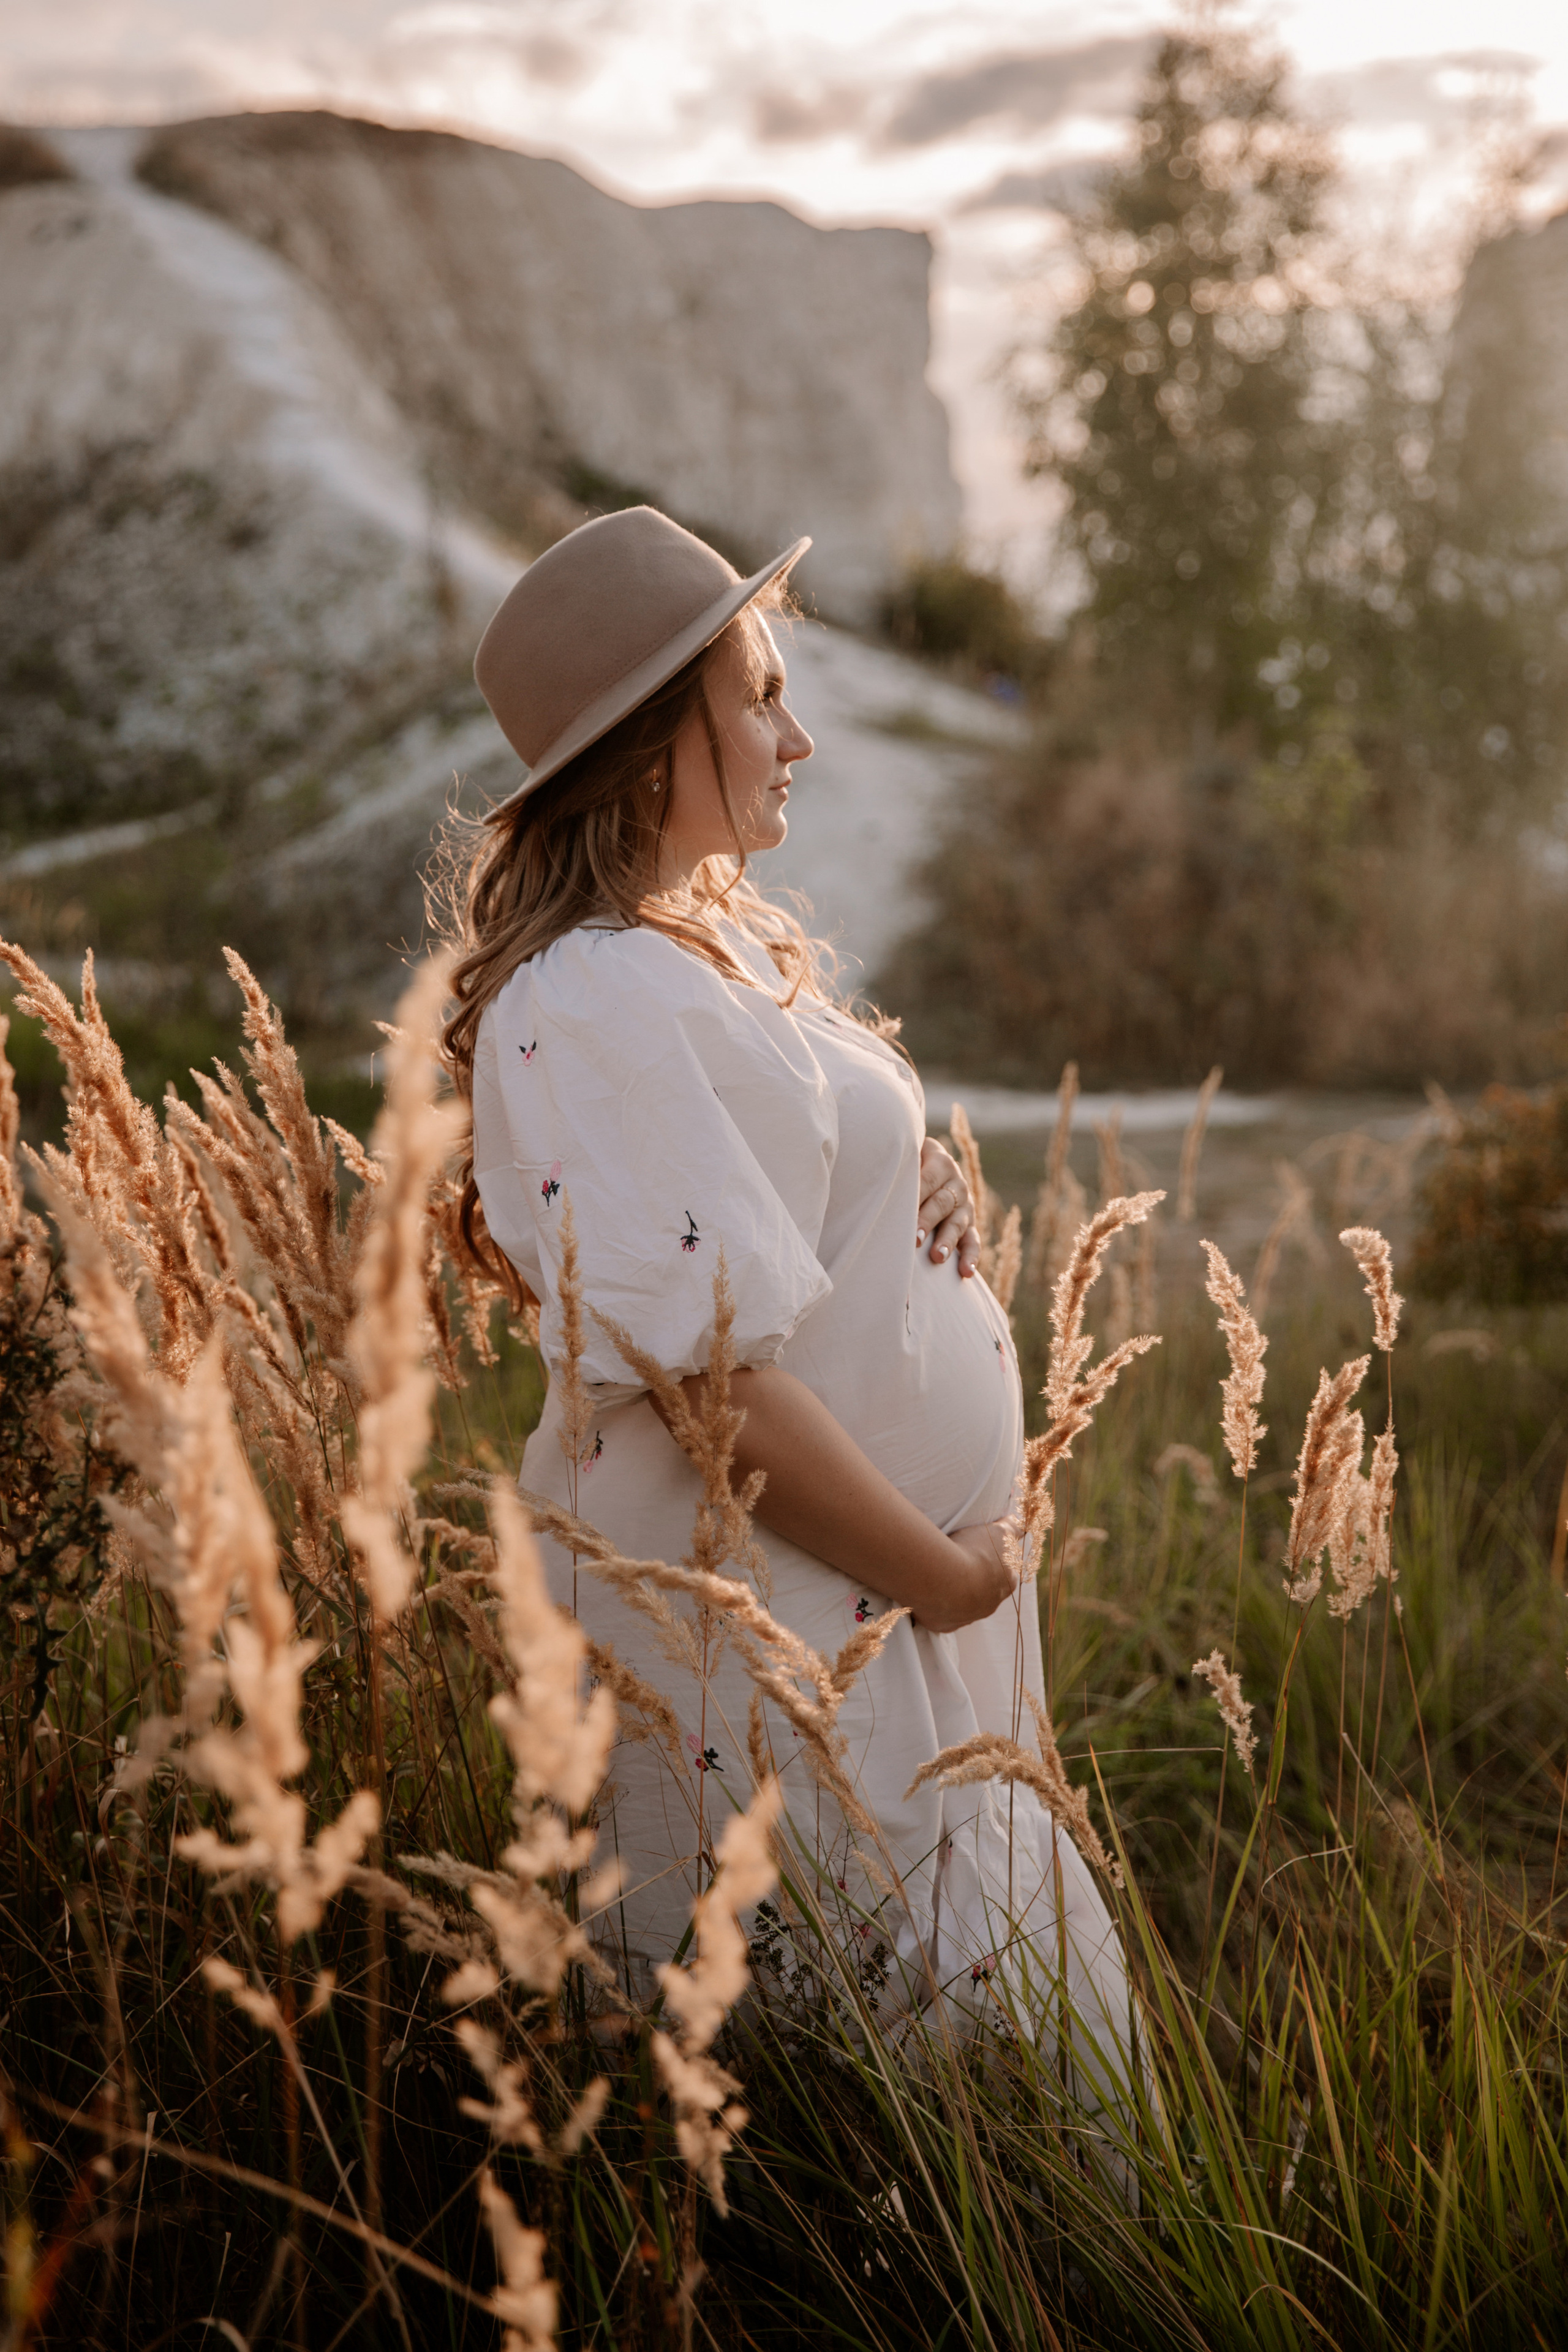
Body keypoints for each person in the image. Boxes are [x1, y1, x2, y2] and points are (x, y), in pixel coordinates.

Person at [440, 507, 1138, 2113]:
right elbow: (714, 1394)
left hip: (857, 1618)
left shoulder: (697, 956)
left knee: (964, 2086)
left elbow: (787, 1195)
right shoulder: (601, 989)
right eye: (759, 696)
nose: (797, 734)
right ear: (638, 748)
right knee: (898, 2120)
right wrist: (949, 1579)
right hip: (803, 1628)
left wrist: (922, 1189)